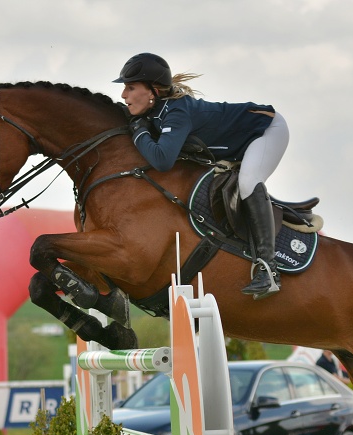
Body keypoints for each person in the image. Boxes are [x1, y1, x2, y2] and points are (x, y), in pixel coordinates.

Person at [113, 52, 289, 299]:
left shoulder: (176, 113)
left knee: (248, 182)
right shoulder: (156, 112)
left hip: (266, 131)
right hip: (242, 140)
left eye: (130, 88)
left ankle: (268, 269)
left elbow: (163, 160)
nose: (123, 95)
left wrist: (139, 132)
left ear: (153, 91)